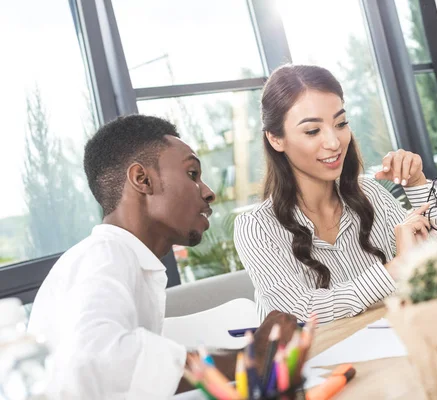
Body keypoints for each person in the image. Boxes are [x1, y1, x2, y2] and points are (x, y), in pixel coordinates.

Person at [27, 115, 298, 399]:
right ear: (142, 180)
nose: (209, 193)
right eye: (192, 174)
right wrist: (249, 358)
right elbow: (102, 358)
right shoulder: (104, 254)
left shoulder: (124, 259)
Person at [234, 64, 437, 324]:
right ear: (276, 139)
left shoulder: (371, 194)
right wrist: (395, 268)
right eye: (312, 130)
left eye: (340, 123)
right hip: (316, 361)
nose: (334, 142)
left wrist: (417, 185)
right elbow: (299, 311)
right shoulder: (255, 227)